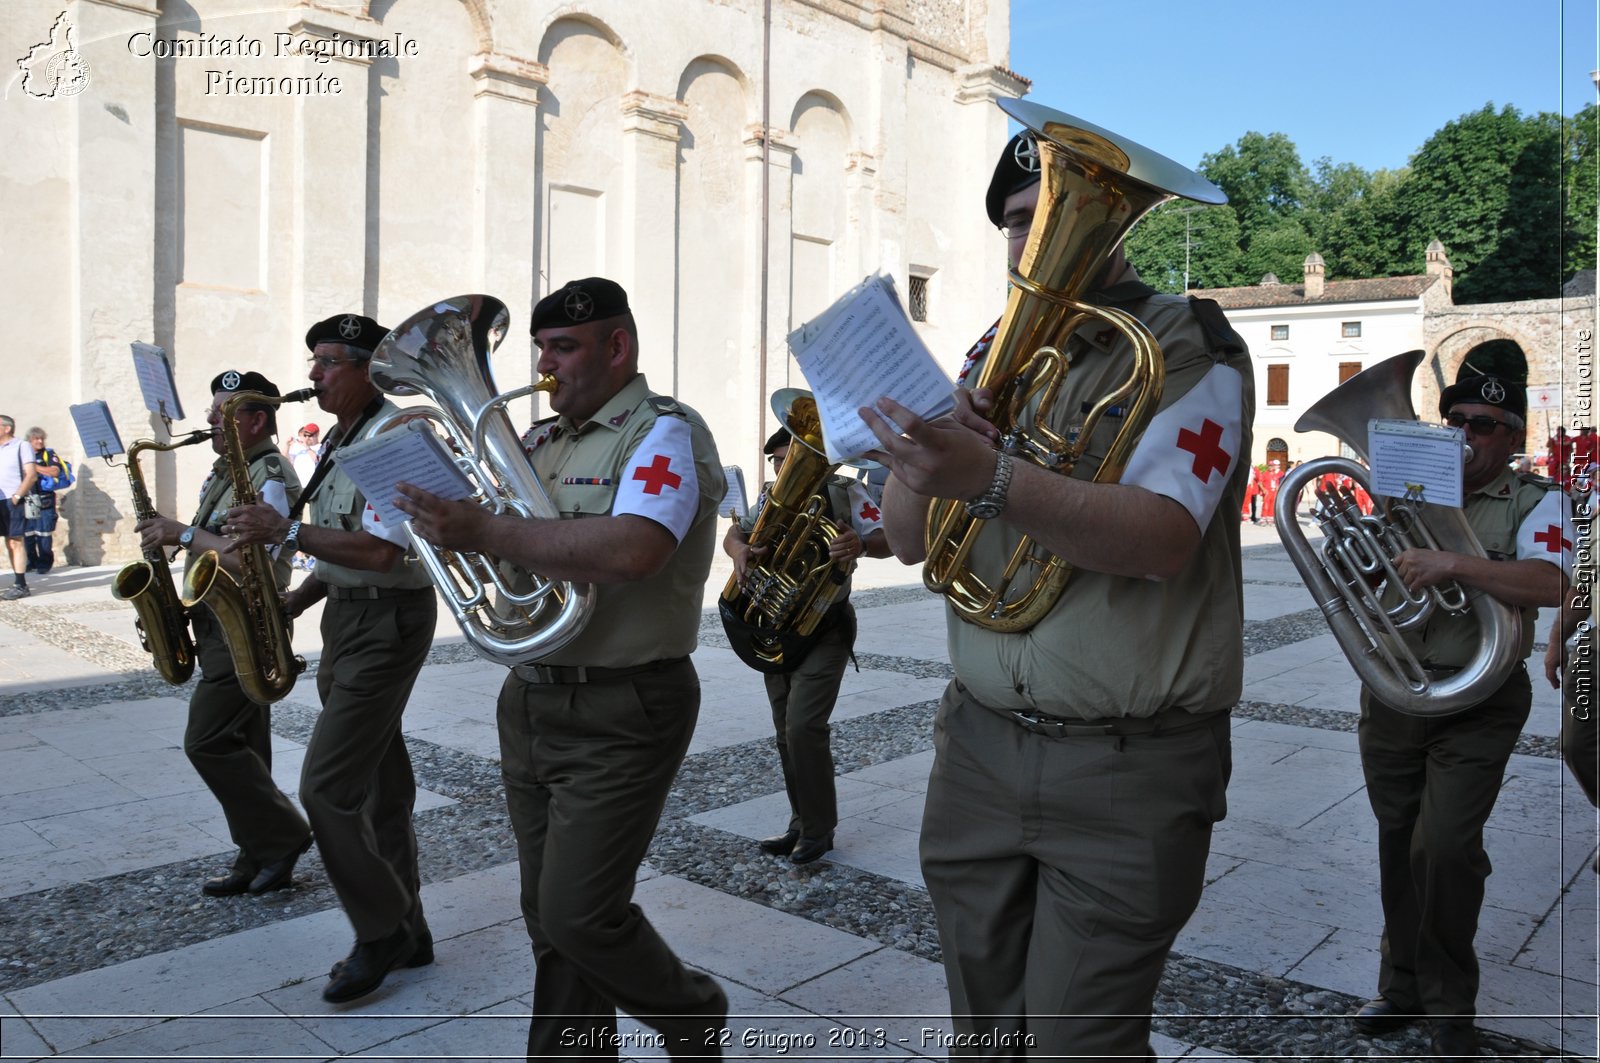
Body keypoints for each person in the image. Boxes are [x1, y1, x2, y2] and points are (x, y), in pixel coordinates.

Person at [863, 122, 1254, 1058]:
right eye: (1013, 224)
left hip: (1129, 761)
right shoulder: (989, 349)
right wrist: (925, 456)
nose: (1027, 243)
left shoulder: (1186, 346)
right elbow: (913, 542)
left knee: (1084, 1045)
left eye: (1049, 218)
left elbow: (1162, 537)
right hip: (980, 748)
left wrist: (994, 477)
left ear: (1111, 226)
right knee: (984, 1036)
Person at [395, 277, 729, 1060]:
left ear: (619, 347)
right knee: (547, 917)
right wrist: (449, 525)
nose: (546, 365)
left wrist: (486, 527)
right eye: (541, 347)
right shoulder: (536, 443)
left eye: (566, 347)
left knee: (581, 912)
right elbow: (516, 563)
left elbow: (636, 547)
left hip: (625, 701)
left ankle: (692, 1013)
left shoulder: (662, 431)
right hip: (534, 698)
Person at [1350, 360, 1573, 1060]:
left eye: (1482, 425)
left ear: (1512, 436)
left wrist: (1455, 565)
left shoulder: (1539, 497)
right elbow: (1367, 572)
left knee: (1442, 845)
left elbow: (1553, 579)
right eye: (1455, 421)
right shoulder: (1409, 489)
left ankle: (1451, 999)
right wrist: (1377, 534)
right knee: (1398, 839)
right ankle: (1402, 983)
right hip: (1396, 688)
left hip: (1481, 695)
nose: (1464, 434)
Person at [224, 313, 437, 1004]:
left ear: (365, 368)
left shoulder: (396, 434)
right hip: (351, 617)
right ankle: (414, 925)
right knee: (380, 784)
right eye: (313, 362)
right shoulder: (344, 436)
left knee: (326, 786)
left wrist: (286, 528)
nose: (311, 375)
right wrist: (297, 601)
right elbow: (345, 541)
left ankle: (382, 929)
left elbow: (383, 550)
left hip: (388, 619)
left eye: (325, 363)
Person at [134, 371, 314, 897]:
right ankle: (257, 852)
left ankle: (284, 835)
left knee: (207, 742)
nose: (211, 420)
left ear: (255, 420)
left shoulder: (271, 475)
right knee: (244, 745)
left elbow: (255, 558)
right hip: (220, 620)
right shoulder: (227, 471)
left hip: (248, 623)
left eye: (223, 412)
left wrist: (183, 533)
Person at [723, 420, 889, 865]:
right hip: (776, 624)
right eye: (779, 462)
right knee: (784, 733)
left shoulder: (846, 492)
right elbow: (735, 533)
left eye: (790, 460)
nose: (783, 470)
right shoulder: (768, 499)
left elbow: (887, 539)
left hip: (824, 626)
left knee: (803, 728)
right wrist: (739, 551)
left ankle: (818, 830)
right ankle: (800, 824)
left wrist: (861, 546)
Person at [0, 414, 39, 600]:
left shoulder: (21, 446)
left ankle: (21, 584)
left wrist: (17, 496)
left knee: (14, 541)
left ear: (7, 428)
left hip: (12, 500)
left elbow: (31, 475)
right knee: (9, 543)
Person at [24, 427, 62, 574]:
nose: (40, 441)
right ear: (29, 441)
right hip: (26, 498)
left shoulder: (48, 454)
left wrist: (34, 467)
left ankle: (44, 563)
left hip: (45, 499)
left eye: (42, 438)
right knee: (28, 533)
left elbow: (55, 471)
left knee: (44, 533)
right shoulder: (22, 454)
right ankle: (30, 562)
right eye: (36, 439)